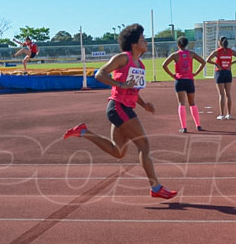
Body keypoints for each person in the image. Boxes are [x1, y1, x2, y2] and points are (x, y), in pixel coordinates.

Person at [63, 23, 177, 200]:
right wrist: (120, 84)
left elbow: (133, 91)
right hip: (118, 107)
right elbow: (99, 74)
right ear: (133, 43)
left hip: (123, 108)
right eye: (142, 39)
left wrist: (144, 104)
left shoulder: (141, 65)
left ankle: (84, 132)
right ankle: (156, 187)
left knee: (118, 152)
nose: (145, 42)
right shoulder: (123, 58)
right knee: (144, 145)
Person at [161, 36, 206, 133]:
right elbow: (203, 62)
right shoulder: (191, 54)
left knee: (181, 104)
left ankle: (184, 127)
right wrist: (196, 73)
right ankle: (198, 125)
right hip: (189, 80)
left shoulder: (175, 55)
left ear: (178, 45)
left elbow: (164, 65)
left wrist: (172, 75)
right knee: (192, 103)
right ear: (186, 44)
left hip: (179, 80)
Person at [205, 37, 236, 120]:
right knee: (228, 94)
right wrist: (231, 63)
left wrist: (216, 64)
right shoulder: (230, 51)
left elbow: (207, 60)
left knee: (221, 94)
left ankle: (222, 114)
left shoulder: (217, 51)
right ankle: (229, 114)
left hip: (219, 73)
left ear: (219, 42)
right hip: (228, 72)